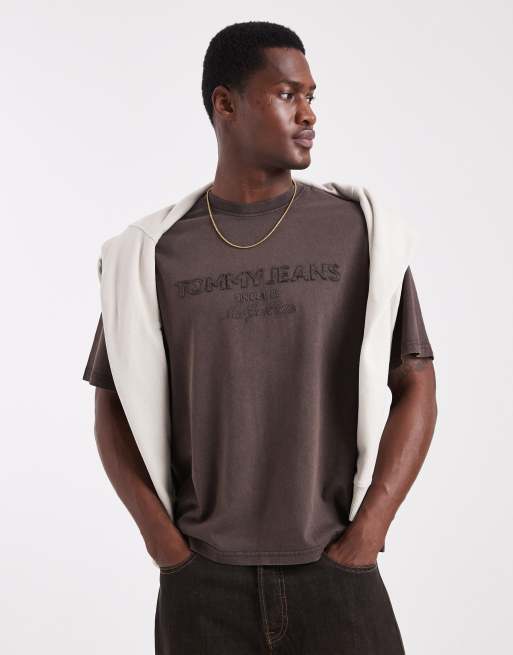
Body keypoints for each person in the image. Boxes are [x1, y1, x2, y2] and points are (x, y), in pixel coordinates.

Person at [82, 20, 437, 655]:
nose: (309, 114)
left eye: (311, 96)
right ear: (225, 103)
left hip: (336, 573)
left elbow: (416, 383)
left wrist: (369, 532)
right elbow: (112, 405)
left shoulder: (360, 233)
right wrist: (164, 544)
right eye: (286, 94)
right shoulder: (153, 253)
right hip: (202, 586)